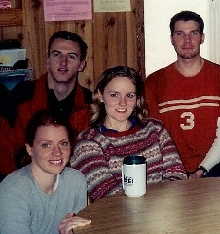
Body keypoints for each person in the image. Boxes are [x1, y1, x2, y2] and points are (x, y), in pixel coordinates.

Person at [145, 10, 220, 178]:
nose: (187, 41)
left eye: (193, 33)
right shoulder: (154, 82)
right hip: (170, 168)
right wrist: (175, 172)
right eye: (180, 34)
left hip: (214, 167)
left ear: (202, 37)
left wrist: (201, 170)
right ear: (171, 39)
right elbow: (154, 138)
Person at [0, 31, 92, 184]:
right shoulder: (20, 97)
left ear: (81, 65)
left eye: (71, 56)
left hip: (69, 186)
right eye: (57, 54)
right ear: (48, 60)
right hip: (24, 184)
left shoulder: (89, 104)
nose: (63, 62)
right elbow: (0, 153)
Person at [71, 66, 187, 201]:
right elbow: (109, 198)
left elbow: (177, 176)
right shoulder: (88, 143)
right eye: (114, 95)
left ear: (137, 98)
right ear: (101, 95)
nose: (123, 103)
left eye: (130, 95)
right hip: (120, 219)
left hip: (163, 213)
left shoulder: (155, 129)